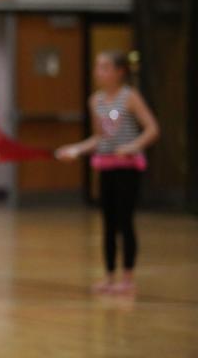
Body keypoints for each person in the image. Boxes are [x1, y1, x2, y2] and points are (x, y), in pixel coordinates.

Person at [55, 51, 160, 295]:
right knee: (108, 223)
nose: (98, 72)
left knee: (125, 221)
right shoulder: (96, 101)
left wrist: (133, 146)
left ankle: (128, 277)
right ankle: (110, 276)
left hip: (127, 168)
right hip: (106, 166)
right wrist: (75, 149)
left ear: (119, 71)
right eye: (97, 67)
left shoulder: (130, 97)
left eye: (104, 67)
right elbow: (99, 137)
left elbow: (152, 128)